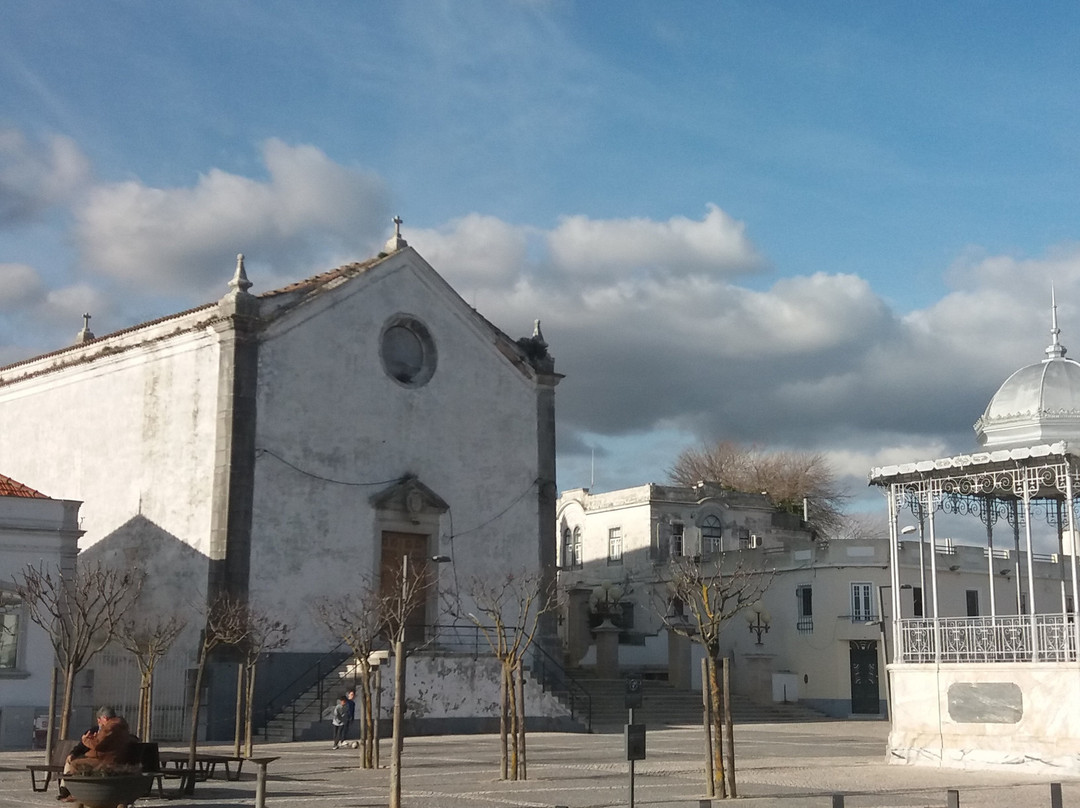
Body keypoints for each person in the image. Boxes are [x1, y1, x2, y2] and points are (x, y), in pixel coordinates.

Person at [57, 706, 133, 800]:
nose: (99, 724)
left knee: (75, 764)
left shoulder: (110, 727)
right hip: (111, 758)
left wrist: (86, 740)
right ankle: (71, 791)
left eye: (99, 720)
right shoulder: (120, 726)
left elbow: (97, 745)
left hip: (105, 761)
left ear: (104, 718)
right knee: (76, 761)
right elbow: (103, 743)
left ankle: (76, 793)